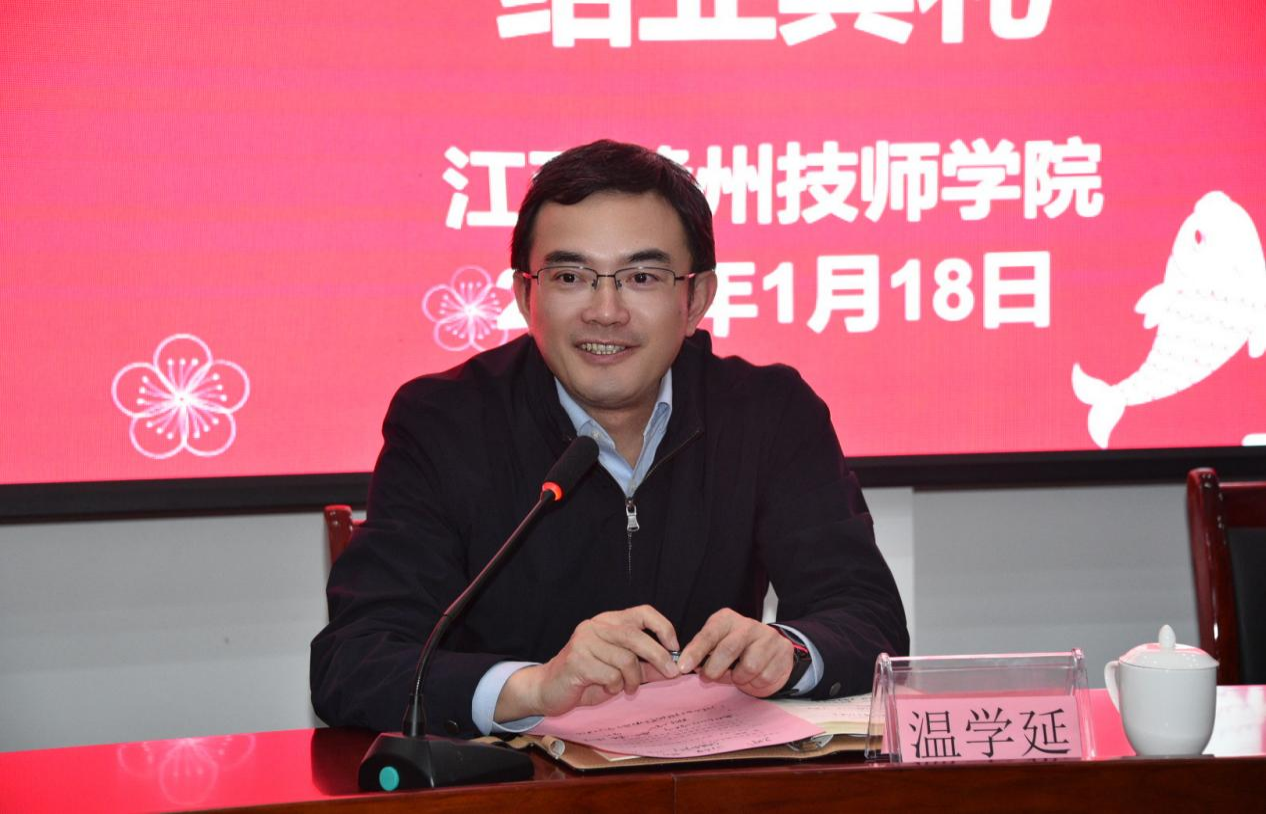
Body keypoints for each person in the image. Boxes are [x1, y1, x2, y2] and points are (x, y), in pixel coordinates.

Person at [311, 140, 908, 737]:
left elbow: (868, 617)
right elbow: (355, 660)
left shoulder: (768, 413)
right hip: (509, 782)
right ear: (525, 295)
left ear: (696, 299)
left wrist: (789, 653)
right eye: (570, 276)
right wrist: (534, 687)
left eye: (641, 277)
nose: (605, 311)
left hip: (714, 777)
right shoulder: (444, 422)